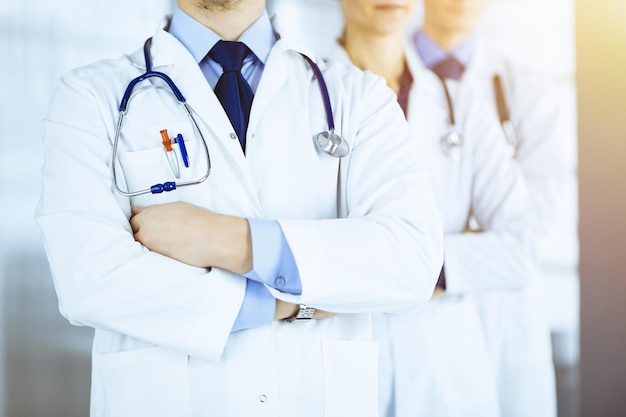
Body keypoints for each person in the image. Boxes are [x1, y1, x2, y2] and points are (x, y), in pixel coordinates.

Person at [35, 0, 444, 416]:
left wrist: (229, 240)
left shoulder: (358, 97)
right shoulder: (90, 96)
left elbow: (411, 259)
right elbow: (87, 277)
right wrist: (286, 303)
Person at [328, 0, 537, 416]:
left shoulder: (462, 103)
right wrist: (449, 254)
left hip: (446, 372)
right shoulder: (306, 98)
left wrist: (413, 266)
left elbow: (520, 249)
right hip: (343, 360)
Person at [415, 0, 564, 416]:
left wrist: (419, 251)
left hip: (506, 313)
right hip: (419, 321)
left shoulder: (525, 89)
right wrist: (480, 244)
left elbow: (530, 226)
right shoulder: (386, 80)